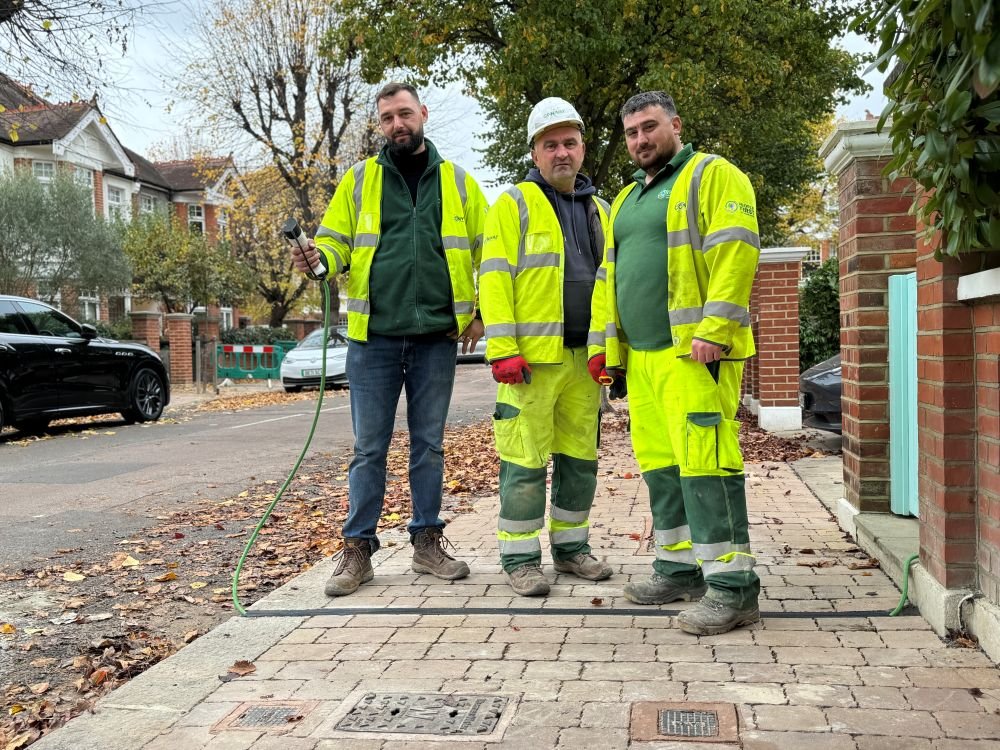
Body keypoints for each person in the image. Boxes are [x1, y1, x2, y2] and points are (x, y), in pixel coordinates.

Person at [289, 82, 488, 596]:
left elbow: (489, 252)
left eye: (404, 113)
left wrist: (482, 313)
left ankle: (426, 543)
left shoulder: (459, 183)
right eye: (387, 118)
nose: (397, 124)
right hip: (373, 339)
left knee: (429, 446)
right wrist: (317, 258)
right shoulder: (359, 181)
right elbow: (334, 243)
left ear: (423, 113)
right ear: (379, 125)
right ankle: (358, 550)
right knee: (368, 449)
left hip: (436, 339)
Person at [588, 91, 761, 634]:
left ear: (676, 125)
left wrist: (715, 329)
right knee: (663, 470)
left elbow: (736, 250)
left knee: (708, 466)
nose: (640, 139)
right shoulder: (626, 198)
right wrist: (606, 350)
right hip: (642, 361)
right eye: (631, 132)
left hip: (695, 355)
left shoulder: (711, 175)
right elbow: (608, 280)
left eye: (649, 127)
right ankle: (678, 569)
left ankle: (733, 588)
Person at [479, 97, 613, 597]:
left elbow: (611, 284)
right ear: (535, 152)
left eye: (569, 143)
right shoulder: (513, 204)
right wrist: (502, 349)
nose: (562, 153)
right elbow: (494, 279)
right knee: (524, 463)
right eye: (550, 144)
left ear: (583, 149)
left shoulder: (602, 210)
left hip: (584, 361)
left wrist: (609, 348)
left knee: (580, 462)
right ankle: (519, 558)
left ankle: (572, 549)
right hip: (529, 365)